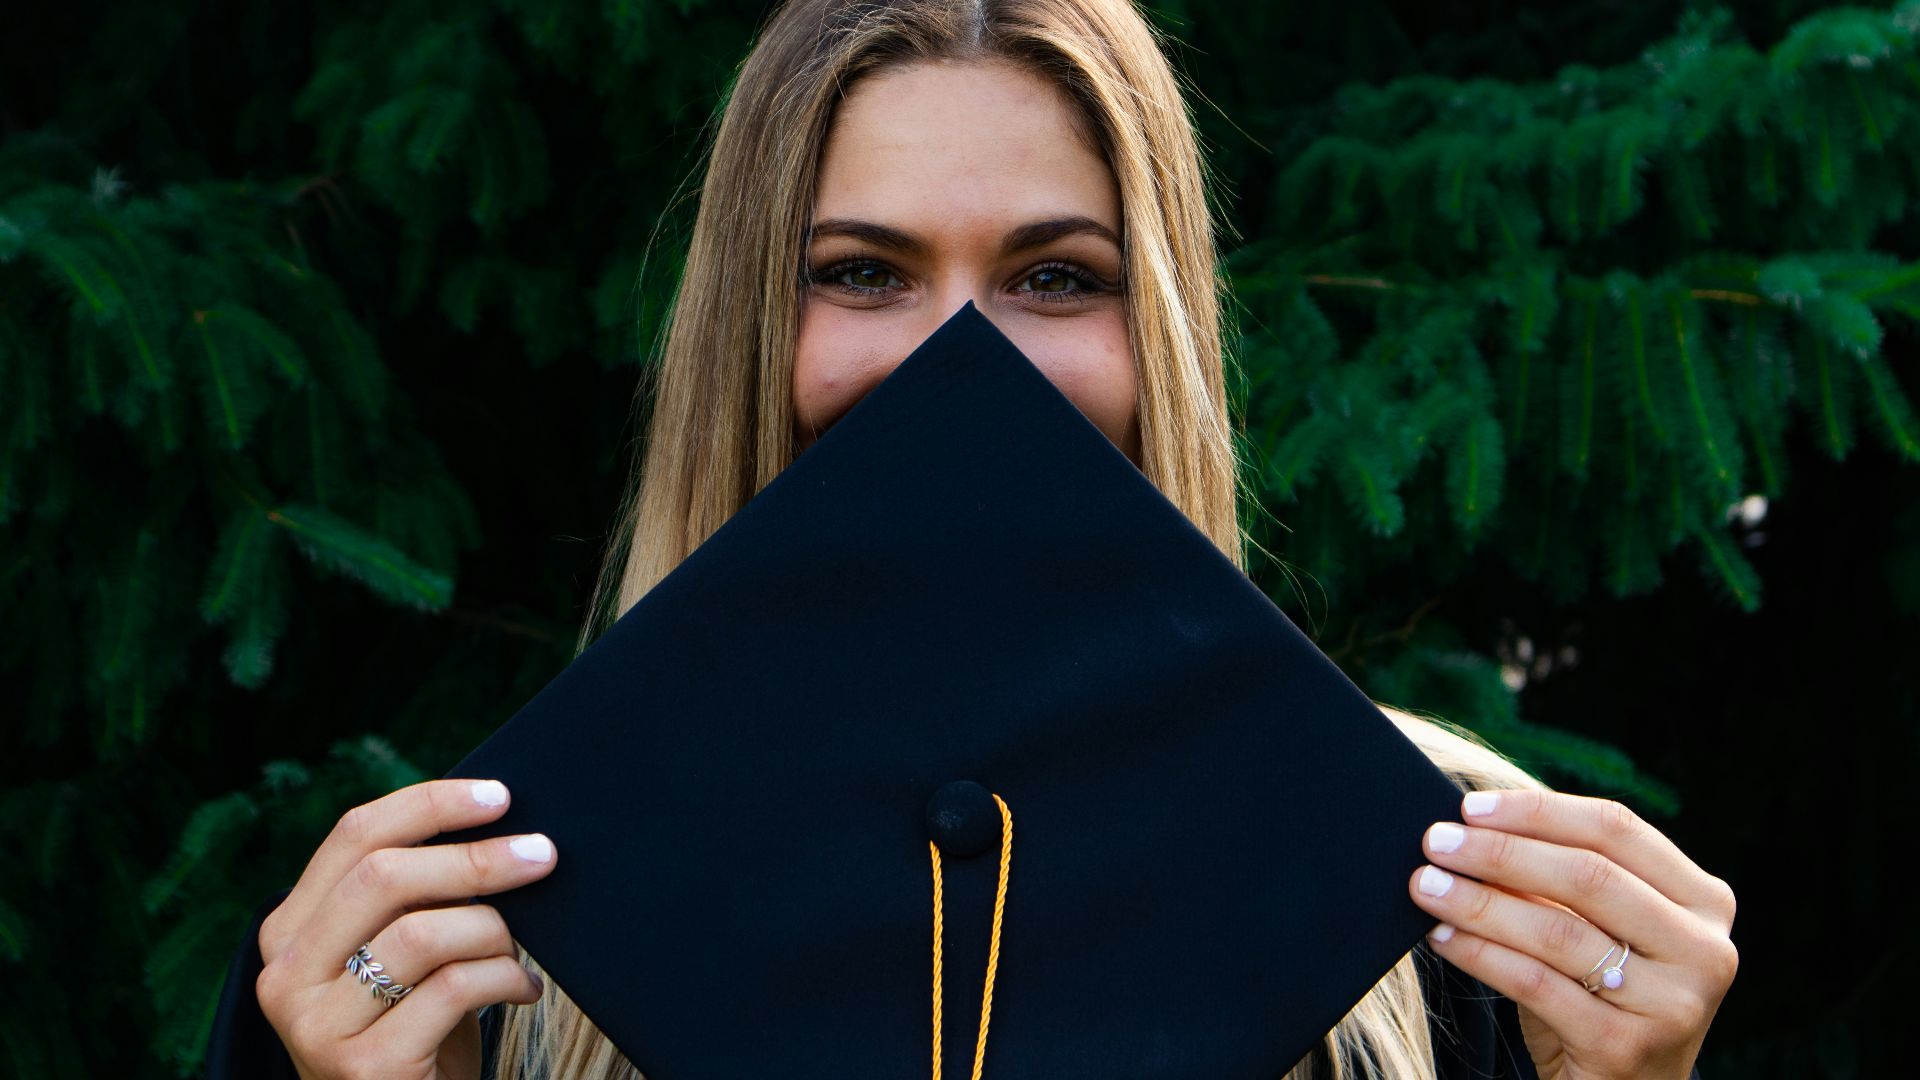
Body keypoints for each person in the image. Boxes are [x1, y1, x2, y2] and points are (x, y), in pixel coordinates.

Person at [208, 1, 1739, 1077]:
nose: (962, 367)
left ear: (1163, 339)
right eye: (863, 272)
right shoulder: (471, 935)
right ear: (750, 326)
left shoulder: (1437, 898)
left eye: (1057, 278)